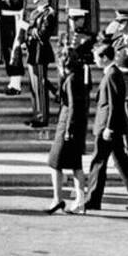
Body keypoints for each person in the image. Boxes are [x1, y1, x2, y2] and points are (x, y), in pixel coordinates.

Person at [85, 42, 128, 212]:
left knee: (98, 161)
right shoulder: (112, 73)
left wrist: (109, 127)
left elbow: (114, 104)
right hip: (110, 125)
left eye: (96, 57)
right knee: (122, 162)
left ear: (105, 58)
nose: (94, 61)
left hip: (107, 126)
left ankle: (92, 199)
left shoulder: (112, 74)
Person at [47, 38, 91, 214]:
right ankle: (78, 201)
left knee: (55, 162)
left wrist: (68, 130)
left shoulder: (71, 79)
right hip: (72, 124)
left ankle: (59, 199)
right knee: (74, 164)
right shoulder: (74, 77)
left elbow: (72, 105)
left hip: (68, 123)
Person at [23, 0, 58, 129]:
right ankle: (36, 114)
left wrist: (28, 29)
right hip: (32, 52)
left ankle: (42, 117)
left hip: (40, 52)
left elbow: (43, 33)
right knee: (34, 86)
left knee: (40, 87)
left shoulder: (48, 13)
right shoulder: (34, 12)